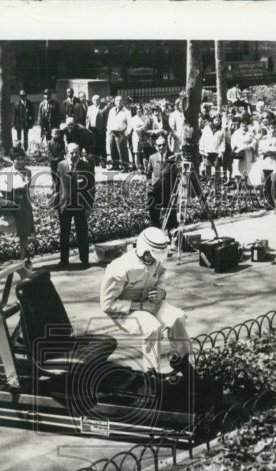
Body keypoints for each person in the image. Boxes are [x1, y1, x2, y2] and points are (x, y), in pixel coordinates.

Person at [99, 227, 192, 376]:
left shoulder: (157, 260)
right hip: (125, 310)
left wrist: (162, 292)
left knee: (177, 318)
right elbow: (107, 304)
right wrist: (140, 306)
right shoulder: (120, 268)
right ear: (143, 249)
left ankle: (182, 361)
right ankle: (151, 373)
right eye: (152, 255)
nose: (156, 259)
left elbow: (161, 277)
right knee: (152, 328)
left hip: (150, 302)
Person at [0, 145, 34, 268]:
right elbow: (1, 188)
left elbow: (23, 187)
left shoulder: (27, 172)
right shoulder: (6, 171)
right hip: (7, 204)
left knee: (23, 233)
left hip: (21, 206)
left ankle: (22, 260)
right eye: (17, 159)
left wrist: (12, 186)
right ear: (12, 160)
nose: (20, 161)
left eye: (22, 158)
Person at [56, 143, 95, 270]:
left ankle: (84, 260)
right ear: (66, 153)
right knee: (64, 234)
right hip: (65, 205)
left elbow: (91, 188)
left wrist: (89, 206)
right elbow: (57, 185)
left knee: (82, 233)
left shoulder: (86, 166)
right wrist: (56, 202)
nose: (74, 155)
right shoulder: (61, 165)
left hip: (80, 205)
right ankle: (63, 260)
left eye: (76, 152)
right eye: (71, 153)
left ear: (80, 153)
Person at [145, 134, 176, 229]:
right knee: (154, 214)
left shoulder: (173, 157)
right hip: (155, 190)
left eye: (163, 145)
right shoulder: (152, 157)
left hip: (168, 190)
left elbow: (176, 174)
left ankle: (172, 234)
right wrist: (149, 182)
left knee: (171, 214)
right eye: (159, 145)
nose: (161, 147)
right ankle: (156, 234)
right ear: (155, 146)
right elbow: (148, 173)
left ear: (167, 145)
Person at [106, 95, 132, 172]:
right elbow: (109, 121)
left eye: (120, 100)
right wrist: (108, 131)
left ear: (123, 102)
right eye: (117, 100)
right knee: (112, 148)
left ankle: (125, 167)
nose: (119, 102)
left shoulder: (127, 112)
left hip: (121, 133)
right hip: (112, 132)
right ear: (114, 101)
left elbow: (130, 124)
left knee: (122, 150)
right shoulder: (111, 110)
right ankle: (115, 165)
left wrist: (127, 133)